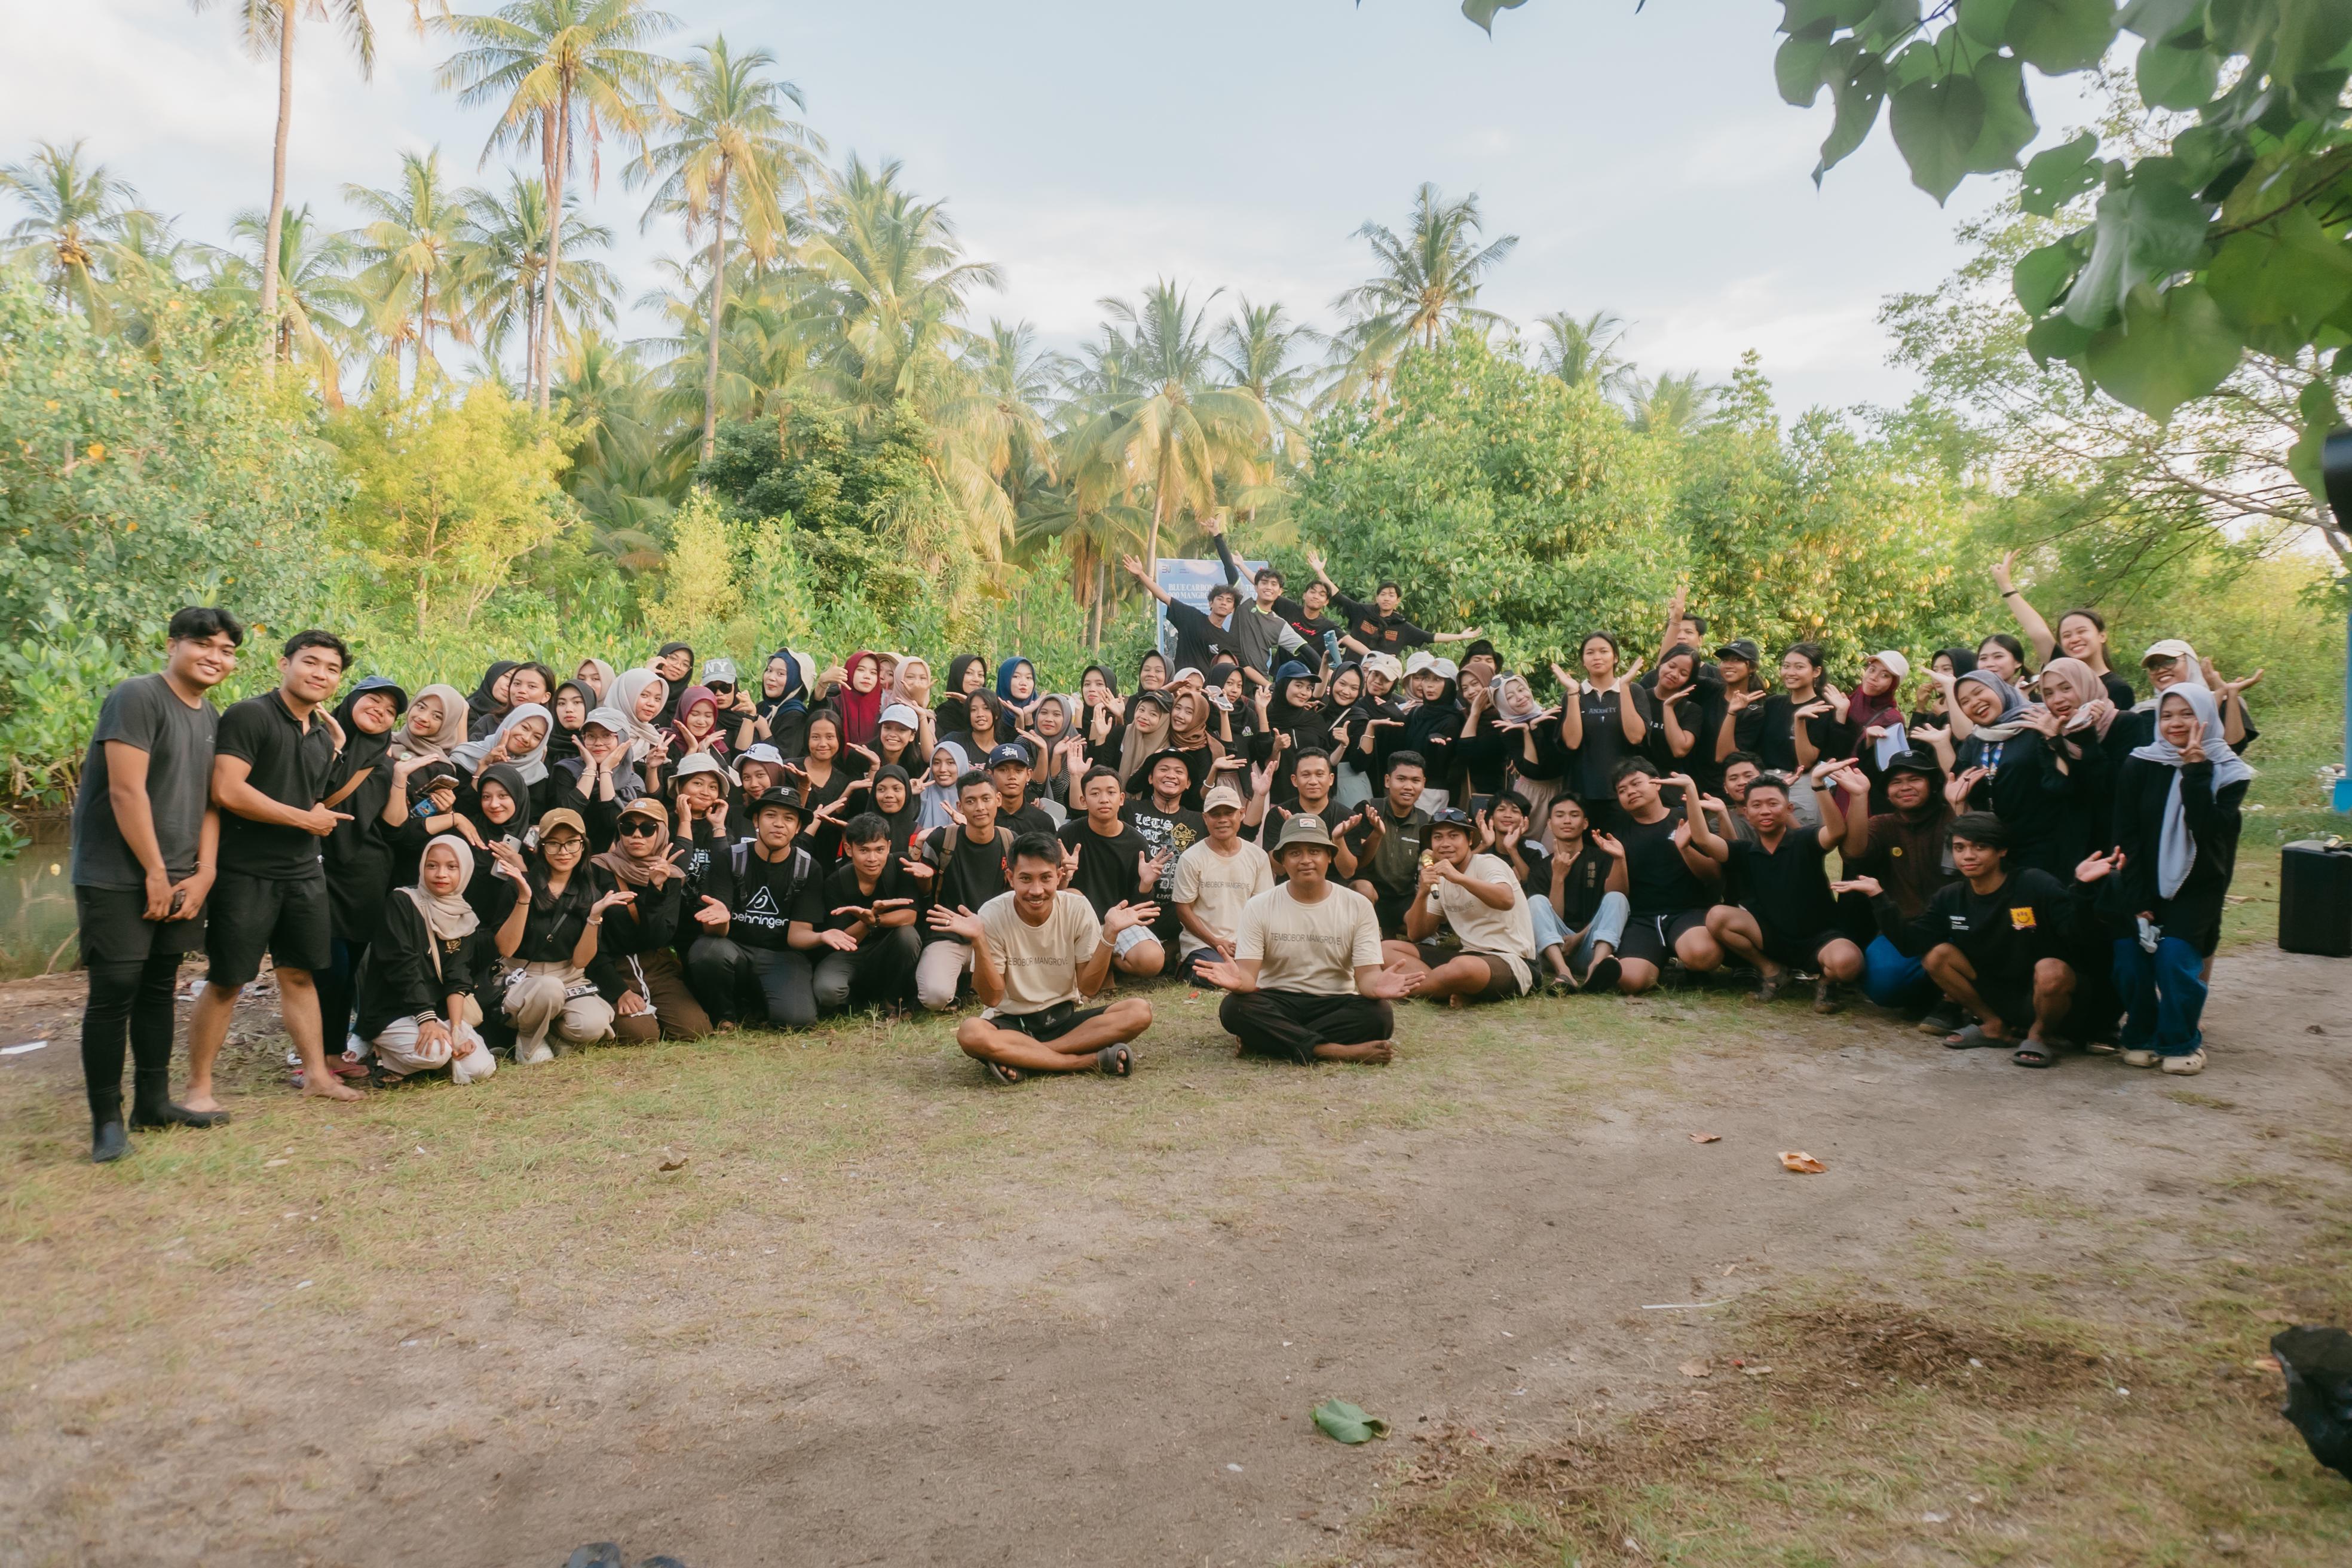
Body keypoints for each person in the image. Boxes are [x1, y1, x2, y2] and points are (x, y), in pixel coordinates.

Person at [70, 606, 242, 1160]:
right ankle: (106, 1122)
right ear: (173, 645)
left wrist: (203, 873)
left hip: (183, 876)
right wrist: (153, 872)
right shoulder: (137, 696)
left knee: (158, 988)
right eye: (205, 646)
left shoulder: (210, 716)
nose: (216, 658)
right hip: (117, 875)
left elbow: (213, 802)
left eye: (227, 651)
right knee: (114, 992)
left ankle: (153, 1102)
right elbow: (126, 791)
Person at [185, 630, 357, 1108]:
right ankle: (199, 1087)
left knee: (300, 975)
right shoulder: (250, 715)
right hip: (246, 872)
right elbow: (227, 790)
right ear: (285, 664)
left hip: (302, 872)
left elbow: (310, 795)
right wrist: (306, 819)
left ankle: (318, 1075)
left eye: (332, 669)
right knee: (227, 979)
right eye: (311, 662)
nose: (320, 674)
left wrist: (336, 749)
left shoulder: (323, 734)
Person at [1842, 811, 2087, 1068]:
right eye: (1960, 848)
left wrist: (2084, 892)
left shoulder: (2034, 883)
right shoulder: (1951, 896)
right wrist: (1879, 897)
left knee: (2051, 969)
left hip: (2042, 996)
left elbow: (2077, 935)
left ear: (2001, 851)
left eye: (1980, 847)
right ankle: (1993, 1026)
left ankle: (2039, 1035)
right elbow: (1911, 944)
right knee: (1936, 955)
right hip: (1996, 994)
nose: (1968, 856)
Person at [2100, 683, 2253, 1076]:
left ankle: (2181, 1041)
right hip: (2138, 880)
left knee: (2175, 961)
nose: (2175, 723)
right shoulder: (2140, 762)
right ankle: (2141, 1032)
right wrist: (2138, 899)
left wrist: (2197, 770)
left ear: (2206, 718)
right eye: (2167, 715)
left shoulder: (2229, 771)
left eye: (2186, 714)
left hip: (2197, 884)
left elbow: (2211, 829)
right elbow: (2125, 835)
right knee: (2130, 962)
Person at [932, 832, 1157, 1083]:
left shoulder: (1077, 908)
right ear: (1010, 878)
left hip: (1064, 1020)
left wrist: (1110, 934)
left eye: (1046, 878)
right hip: (1011, 1024)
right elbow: (992, 998)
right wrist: (979, 941)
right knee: (971, 1032)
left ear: (1059, 876)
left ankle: (1027, 1059)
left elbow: (1089, 988)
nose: (1036, 891)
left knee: (1139, 1011)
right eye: (1025, 879)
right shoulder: (992, 913)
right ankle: (1084, 1061)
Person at [1193, 814, 1410, 1063]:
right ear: (1283, 860)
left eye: (1315, 851)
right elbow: (1248, 976)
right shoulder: (1259, 906)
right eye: (1295, 853)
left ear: (1330, 856)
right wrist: (1237, 981)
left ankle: (1269, 1041)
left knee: (1380, 1016)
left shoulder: (1358, 905)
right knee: (1234, 1008)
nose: (1306, 860)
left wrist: (1378, 986)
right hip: (1277, 998)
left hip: (1334, 1002)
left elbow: (1367, 975)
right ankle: (1334, 1051)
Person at [1701, 762, 1872, 1012]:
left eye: (1773, 804)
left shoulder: (1804, 840)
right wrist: (1692, 797)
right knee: (1717, 916)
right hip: (1773, 938)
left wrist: (1818, 785)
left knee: (1848, 963)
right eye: (1757, 806)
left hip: (1820, 938)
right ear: (1746, 814)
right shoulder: (1745, 852)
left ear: (1788, 808)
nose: (1765, 811)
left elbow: (1835, 832)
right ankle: (1773, 971)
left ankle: (1827, 982)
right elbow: (1704, 840)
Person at [316, 675, 414, 1065]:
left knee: (349, 968)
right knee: (328, 966)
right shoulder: (317, 741)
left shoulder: (387, 764)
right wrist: (336, 748)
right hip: (319, 868)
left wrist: (403, 782)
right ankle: (314, 1051)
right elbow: (306, 791)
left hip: (367, 877)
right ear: (353, 699)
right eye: (374, 701)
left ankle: (333, 1051)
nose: (381, 712)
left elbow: (395, 828)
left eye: (390, 711)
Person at [486, 808, 632, 1062]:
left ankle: (553, 1033)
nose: (563, 852)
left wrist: (594, 917)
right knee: (548, 990)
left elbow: (581, 962)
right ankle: (529, 1037)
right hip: (522, 978)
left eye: (572, 844)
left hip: (570, 977)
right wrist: (524, 899)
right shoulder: (520, 884)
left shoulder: (590, 892)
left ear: (583, 846)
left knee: (593, 1025)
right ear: (541, 848)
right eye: (553, 844)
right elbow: (506, 949)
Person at [354, 835, 497, 1085]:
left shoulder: (464, 916)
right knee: (437, 1053)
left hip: (438, 1011)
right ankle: (383, 1057)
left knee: (481, 1069)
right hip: (393, 1010)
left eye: (452, 867)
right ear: (422, 867)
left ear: (465, 871)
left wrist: (456, 1030)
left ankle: (425, 1057)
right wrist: (426, 1019)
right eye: (432, 865)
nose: (441, 874)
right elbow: (402, 966)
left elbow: (457, 977)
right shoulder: (402, 902)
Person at [684, 789, 823, 1030]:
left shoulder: (808, 868)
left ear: (798, 827)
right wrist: (721, 918)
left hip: (782, 956)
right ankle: (725, 1016)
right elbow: (714, 929)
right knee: (706, 952)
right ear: (757, 820)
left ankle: (761, 1004)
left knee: (797, 1022)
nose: (779, 824)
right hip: (734, 949)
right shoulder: (731, 858)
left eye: (789, 819)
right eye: (771, 815)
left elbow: (798, 934)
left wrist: (822, 937)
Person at [1844, 749, 1959, 1025]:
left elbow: (1972, 842)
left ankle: (1953, 999)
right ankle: (1931, 992)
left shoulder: (1950, 817)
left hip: (1955, 928)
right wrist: (1859, 797)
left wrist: (1959, 805)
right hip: (1903, 927)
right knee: (1882, 985)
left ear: (1932, 785)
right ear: (1886, 792)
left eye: (1915, 779)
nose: (1905, 787)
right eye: (1896, 782)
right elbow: (1854, 852)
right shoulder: (1883, 826)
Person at [1380, 807, 1541, 1002]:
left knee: (1461, 968)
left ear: (1470, 840)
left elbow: (1506, 900)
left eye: (1454, 836)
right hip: (1467, 955)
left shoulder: (1488, 863)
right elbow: (1416, 934)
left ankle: (1409, 988)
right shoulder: (1442, 878)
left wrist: (1458, 878)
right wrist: (1422, 893)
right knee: (1383, 949)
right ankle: (1450, 988)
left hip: (1512, 960)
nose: (1445, 844)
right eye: (1438, 837)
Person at [588, 795, 711, 1041]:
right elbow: (591, 942)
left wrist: (656, 890)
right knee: (642, 1035)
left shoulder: (671, 876)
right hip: (613, 968)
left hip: (657, 966)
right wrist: (619, 991)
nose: (637, 835)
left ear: (662, 833)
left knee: (696, 1030)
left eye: (647, 829)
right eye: (628, 827)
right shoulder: (598, 869)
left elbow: (659, 937)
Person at [1607, 760, 1727, 994]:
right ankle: (1656, 961)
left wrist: (1685, 849)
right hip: (1643, 918)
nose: (1630, 792)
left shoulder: (1686, 819)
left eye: (1636, 783)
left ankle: (1690, 962)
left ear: (1657, 784)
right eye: (1622, 790)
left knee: (1702, 956)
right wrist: (1619, 859)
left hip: (1689, 912)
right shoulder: (1620, 833)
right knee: (1630, 982)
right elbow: (1616, 894)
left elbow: (1714, 875)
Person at [909, 770, 1016, 1010]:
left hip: (994, 938)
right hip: (948, 935)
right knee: (934, 998)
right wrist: (926, 878)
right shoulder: (941, 841)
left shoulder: (1010, 842)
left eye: (986, 799)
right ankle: (960, 986)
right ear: (960, 805)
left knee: (1022, 989)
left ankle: (971, 982)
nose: (980, 807)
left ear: (998, 800)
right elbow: (923, 892)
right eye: (971, 801)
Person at [1057, 767, 1171, 978]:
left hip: (1118, 920)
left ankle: (1101, 963)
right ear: (1083, 801)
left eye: (1110, 793)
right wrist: (1065, 876)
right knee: (1072, 894)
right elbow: (1056, 894)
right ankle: (1093, 964)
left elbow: (1140, 905)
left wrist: (1146, 884)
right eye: (1095, 793)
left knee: (1152, 960)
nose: (1103, 799)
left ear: (1121, 799)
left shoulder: (1135, 841)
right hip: (1079, 924)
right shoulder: (1068, 834)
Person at [811, 811, 924, 1013]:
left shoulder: (900, 865)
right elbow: (842, 941)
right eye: (864, 850)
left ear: (889, 847)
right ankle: (859, 1002)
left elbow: (910, 916)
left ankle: (892, 1000)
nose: (872, 858)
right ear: (849, 849)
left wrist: (876, 919)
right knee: (827, 991)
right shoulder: (835, 883)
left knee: (907, 937)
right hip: (851, 953)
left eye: (879, 849)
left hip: (890, 947)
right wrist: (865, 923)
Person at [1991, 553, 2136, 708]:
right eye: (2067, 635)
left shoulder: (2118, 688)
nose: (2074, 639)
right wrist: (2006, 585)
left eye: (2081, 632)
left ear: (2102, 636)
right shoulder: (2061, 668)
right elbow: (2038, 631)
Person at [1169, 784, 1275, 984]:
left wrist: (1247, 943)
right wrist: (1216, 942)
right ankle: (1188, 968)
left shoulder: (1257, 857)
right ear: (1205, 818)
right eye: (1215, 814)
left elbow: (1263, 908)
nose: (1223, 820)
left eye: (1229, 813)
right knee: (1216, 975)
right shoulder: (1192, 858)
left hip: (1245, 943)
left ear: (1241, 814)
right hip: (1203, 944)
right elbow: (1183, 910)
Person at [1307, 551, 1484, 657]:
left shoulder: (1402, 626)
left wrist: (1460, 636)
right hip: (1351, 672)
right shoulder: (1362, 612)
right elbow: (1338, 595)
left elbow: (1430, 637)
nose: (1387, 598)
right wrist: (1320, 571)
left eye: (1391, 595)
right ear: (1376, 598)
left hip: (1380, 678)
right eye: (1383, 594)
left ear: (1398, 600)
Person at [1535, 794, 1627, 993]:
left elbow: (1615, 908)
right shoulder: (1540, 867)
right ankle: (1563, 973)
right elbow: (1552, 921)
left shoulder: (1602, 858)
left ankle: (1597, 967)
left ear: (1585, 823)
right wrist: (1558, 878)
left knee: (1617, 898)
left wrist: (1579, 937)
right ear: (1550, 824)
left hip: (1591, 944)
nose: (1567, 821)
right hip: (1553, 950)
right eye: (1560, 815)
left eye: (1574, 815)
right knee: (1535, 902)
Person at [1205, 517, 1310, 682]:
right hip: (1231, 676)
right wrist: (1217, 535)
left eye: (1274, 584)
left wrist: (1327, 672)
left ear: (1280, 591)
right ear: (1256, 587)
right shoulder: (1244, 603)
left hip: (1259, 684)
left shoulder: (1280, 624)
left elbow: (1306, 650)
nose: (1269, 587)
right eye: (1264, 583)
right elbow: (1229, 568)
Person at [1341, 751, 1433, 936]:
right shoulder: (1368, 809)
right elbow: (1360, 862)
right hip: (1368, 893)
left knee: (1424, 924)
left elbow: (1427, 860)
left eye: (1415, 781)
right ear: (1387, 781)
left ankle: (1392, 931)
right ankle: (1367, 935)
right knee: (1363, 888)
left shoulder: (1426, 821)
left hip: (1403, 898)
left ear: (1424, 783)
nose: (1408, 787)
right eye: (1401, 779)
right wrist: (1377, 833)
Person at [1122, 551, 1242, 676]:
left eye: (1229, 601)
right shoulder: (1191, 617)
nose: (1224, 603)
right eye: (1220, 599)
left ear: (1232, 609)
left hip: (1205, 691)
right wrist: (1141, 574)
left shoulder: (1229, 641)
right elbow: (1164, 597)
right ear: (1211, 603)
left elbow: (1243, 668)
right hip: (1180, 684)